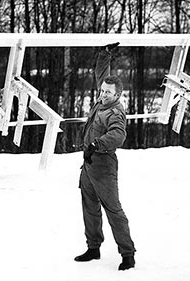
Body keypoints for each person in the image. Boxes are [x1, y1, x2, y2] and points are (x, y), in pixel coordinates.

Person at [74, 43, 136, 271]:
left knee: (113, 210)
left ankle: (128, 254)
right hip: (89, 165)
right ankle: (93, 248)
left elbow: (119, 135)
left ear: (117, 95)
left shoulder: (115, 112)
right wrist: (105, 55)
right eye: (102, 91)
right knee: (89, 207)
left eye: (108, 92)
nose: (103, 94)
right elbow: (102, 76)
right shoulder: (102, 101)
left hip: (103, 166)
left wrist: (96, 144)